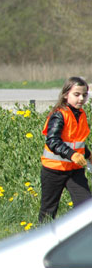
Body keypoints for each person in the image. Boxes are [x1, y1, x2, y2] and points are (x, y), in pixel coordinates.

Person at [39, 76, 92, 222]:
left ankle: (78, 241)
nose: (81, 98)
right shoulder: (59, 114)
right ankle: (44, 241)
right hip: (54, 170)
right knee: (48, 212)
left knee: (86, 206)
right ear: (65, 94)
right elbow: (52, 141)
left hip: (74, 170)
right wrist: (72, 154)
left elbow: (76, 142)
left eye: (84, 95)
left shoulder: (81, 114)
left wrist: (88, 155)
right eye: (76, 94)